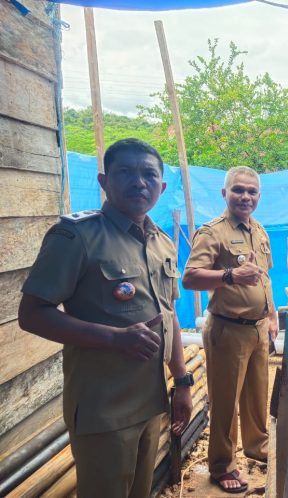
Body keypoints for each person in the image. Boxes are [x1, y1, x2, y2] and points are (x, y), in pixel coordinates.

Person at [18, 138, 193, 498]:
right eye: (125, 172)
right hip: (103, 409)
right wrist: (113, 338)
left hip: (151, 401)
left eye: (148, 174)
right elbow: (32, 314)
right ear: (104, 181)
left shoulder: (162, 242)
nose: (138, 182)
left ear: (161, 187)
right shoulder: (77, 237)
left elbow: (169, 314)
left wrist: (183, 380)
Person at [182, 166, 278, 493]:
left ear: (259, 196)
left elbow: (265, 277)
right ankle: (222, 465)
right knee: (226, 402)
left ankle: (257, 447)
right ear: (225, 194)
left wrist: (272, 316)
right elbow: (190, 277)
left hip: (257, 328)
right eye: (238, 190)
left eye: (252, 192)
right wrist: (230, 276)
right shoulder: (213, 233)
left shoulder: (260, 230)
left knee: (256, 395)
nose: (245, 197)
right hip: (227, 330)